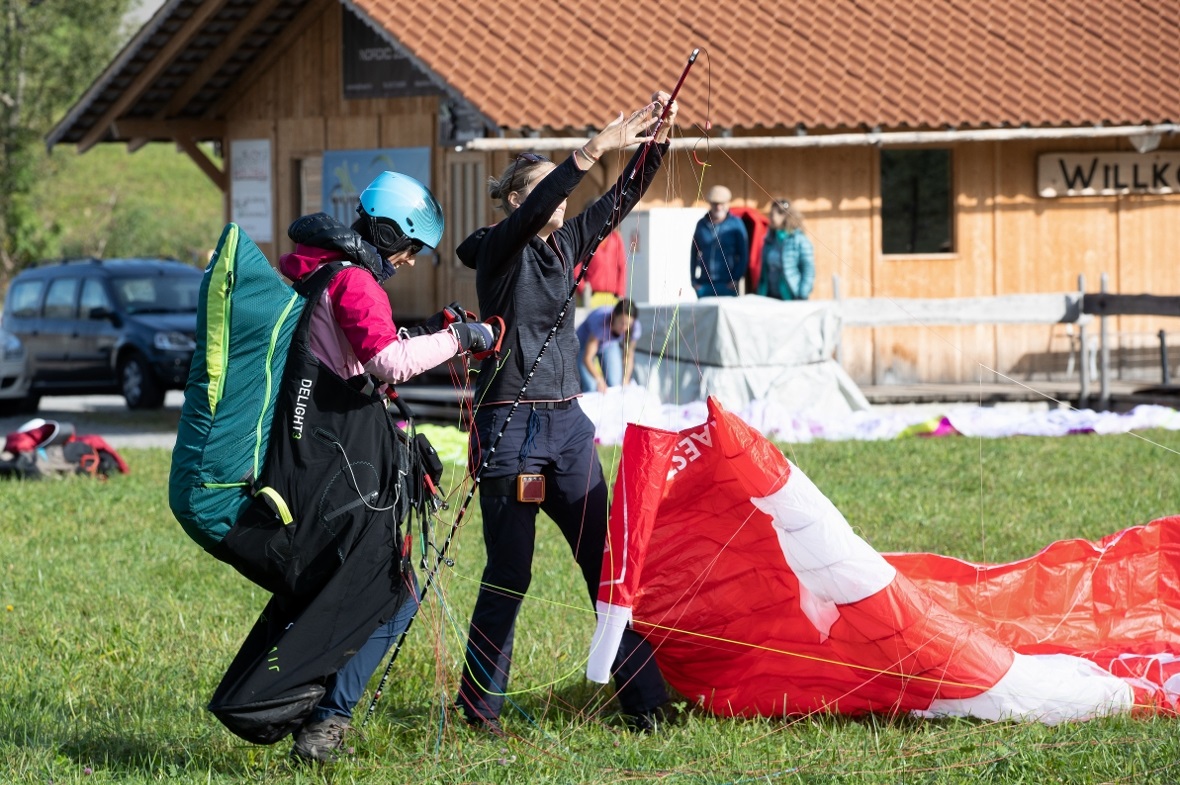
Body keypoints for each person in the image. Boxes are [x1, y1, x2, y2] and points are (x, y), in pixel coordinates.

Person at [454, 91, 678, 733]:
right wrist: (591, 149)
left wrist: (655, 141)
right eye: (544, 191)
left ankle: (644, 701)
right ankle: (479, 710)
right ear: (522, 203)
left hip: (568, 428)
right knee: (511, 572)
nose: (562, 203)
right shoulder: (501, 250)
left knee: (603, 567)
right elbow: (552, 196)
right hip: (509, 431)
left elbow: (621, 198)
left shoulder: (568, 243)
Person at [274, 172, 499, 763]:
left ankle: (316, 711)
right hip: (334, 468)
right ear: (384, 231)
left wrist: (432, 329)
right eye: (409, 248)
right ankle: (327, 722)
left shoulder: (319, 268)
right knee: (397, 593)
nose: (411, 262)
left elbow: (358, 357)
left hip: (308, 461)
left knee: (366, 591)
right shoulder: (354, 279)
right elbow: (389, 363)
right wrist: (462, 338)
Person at [690, 184, 749, 297]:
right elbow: (694, 253)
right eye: (715, 204)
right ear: (710, 203)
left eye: (722, 204)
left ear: (728, 203)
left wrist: (736, 279)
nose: (718, 207)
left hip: (727, 284)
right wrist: (694, 281)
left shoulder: (736, 224)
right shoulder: (701, 224)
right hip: (704, 284)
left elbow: (743, 254)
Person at [577, 298, 641, 393]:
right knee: (591, 386)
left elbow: (628, 355)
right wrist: (599, 379)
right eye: (622, 323)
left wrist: (626, 379)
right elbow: (587, 358)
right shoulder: (600, 322)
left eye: (628, 324)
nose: (624, 328)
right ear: (614, 316)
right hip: (584, 343)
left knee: (615, 384)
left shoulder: (634, 327)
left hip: (608, 343)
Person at [755, 199, 815, 301]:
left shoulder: (799, 240)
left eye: (776, 213)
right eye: (771, 214)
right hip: (769, 298)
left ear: (786, 216)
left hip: (792, 297)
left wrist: (802, 295)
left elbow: (808, 270)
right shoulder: (769, 239)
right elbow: (764, 270)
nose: (772, 217)